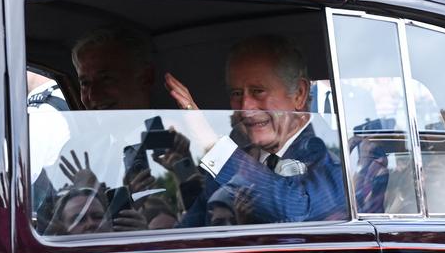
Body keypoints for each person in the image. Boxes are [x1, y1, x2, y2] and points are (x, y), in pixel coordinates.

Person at [165, 35, 347, 226]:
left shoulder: (333, 163)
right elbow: (192, 230)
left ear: (299, 94)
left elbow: (298, 211)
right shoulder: (238, 160)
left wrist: (210, 142)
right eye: (236, 94)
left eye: (258, 91)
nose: (246, 106)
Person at [71, 26, 153, 110]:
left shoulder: (166, 121)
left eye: (106, 78)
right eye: (85, 83)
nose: (93, 95)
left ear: (145, 78)